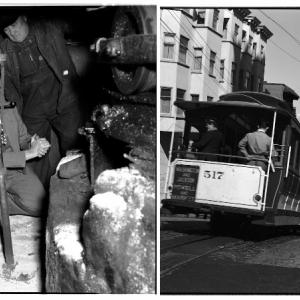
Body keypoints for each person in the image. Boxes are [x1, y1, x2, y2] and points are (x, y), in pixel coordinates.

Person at [0, 11, 82, 188]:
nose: (11, 32)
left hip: (63, 100)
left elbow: (77, 22)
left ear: (25, 17)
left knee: (74, 150)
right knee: (34, 161)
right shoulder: (4, 47)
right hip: (31, 108)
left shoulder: (48, 27)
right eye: (6, 30)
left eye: (13, 25)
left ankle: (73, 191)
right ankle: (39, 201)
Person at [0, 102, 50, 216]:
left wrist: (33, 144)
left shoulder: (7, 106)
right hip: (8, 163)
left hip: (12, 169)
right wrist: (30, 153)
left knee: (39, 204)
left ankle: (5, 201)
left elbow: (23, 138)